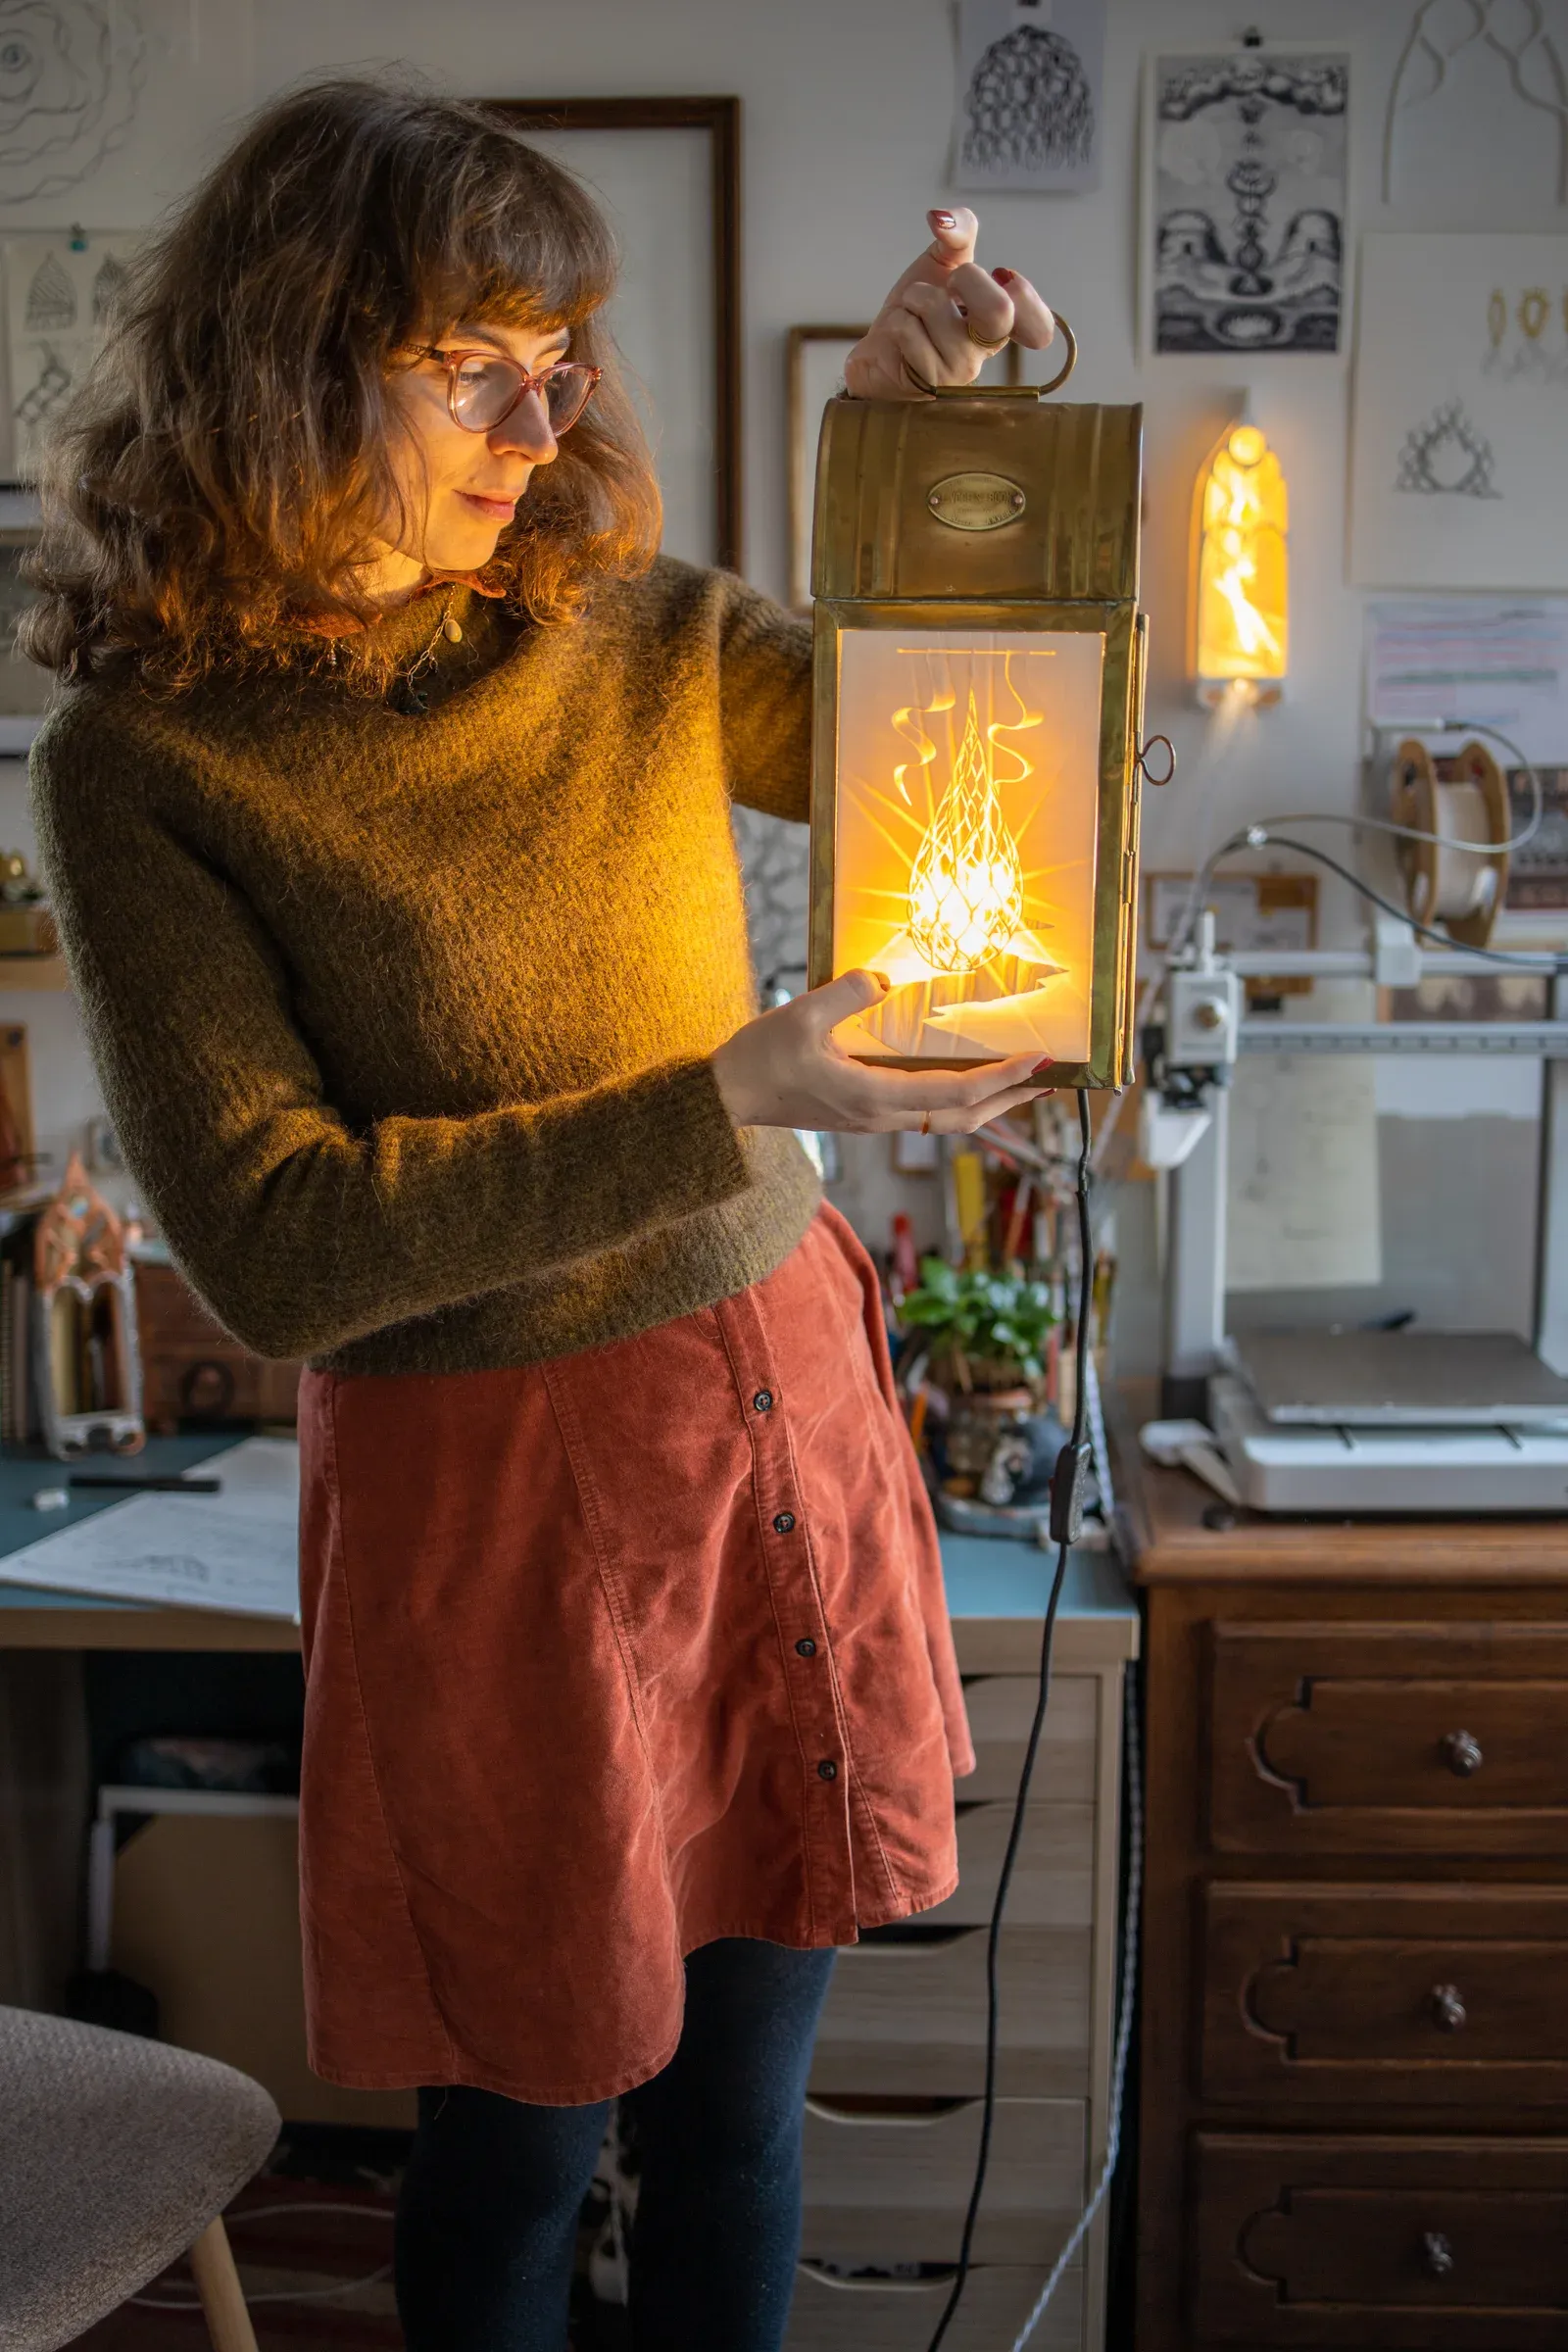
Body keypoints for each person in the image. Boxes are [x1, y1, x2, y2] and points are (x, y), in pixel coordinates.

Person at [24, 80, 1058, 2352]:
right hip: (488, 1504)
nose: (539, 409)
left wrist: (900, 449)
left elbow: (926, 737)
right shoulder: (147, 765)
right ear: (297, 364)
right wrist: (728, 1095)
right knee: (510, 2143)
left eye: (557, 353)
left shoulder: (633, 619)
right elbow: (281, 1242)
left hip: (762, 1410)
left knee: (739, 2117)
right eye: (469, 355)